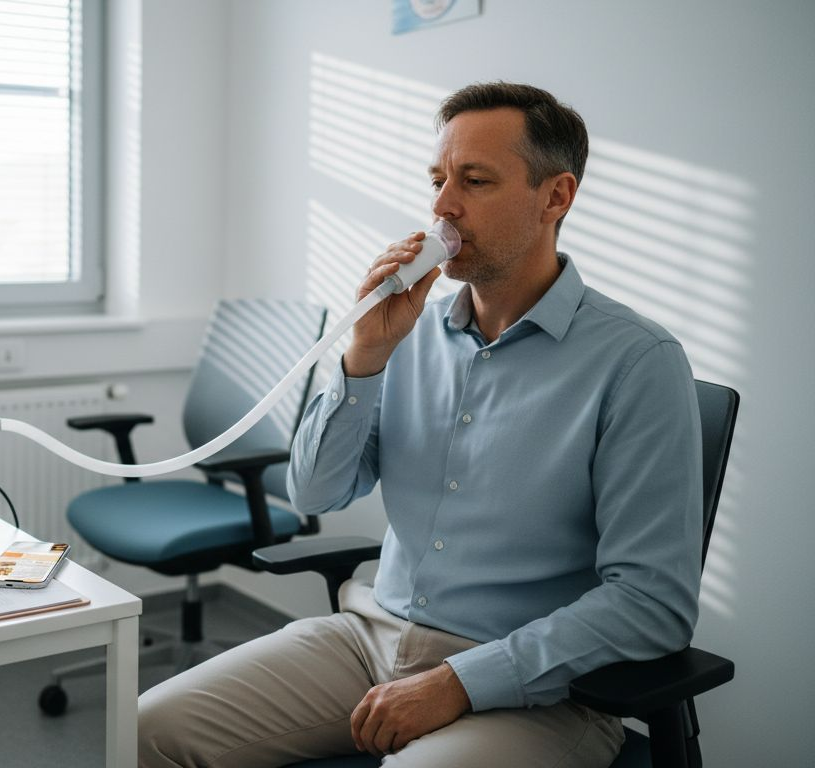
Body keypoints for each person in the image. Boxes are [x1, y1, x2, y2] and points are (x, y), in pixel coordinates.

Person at [137, 81, 703, 767]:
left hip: (540, 691)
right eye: (437, 179)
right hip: (370, 638)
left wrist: (462, 682)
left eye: (474, 180)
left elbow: (653, 602)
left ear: (556, 197)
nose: (441, 207)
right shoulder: (409, 333)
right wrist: (365, 355)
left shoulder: (637, 362)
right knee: (145, 729)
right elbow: (314, 494)